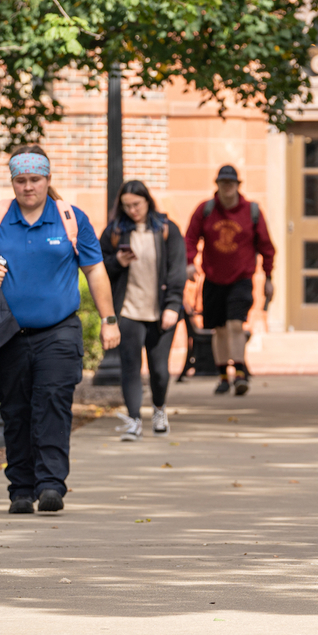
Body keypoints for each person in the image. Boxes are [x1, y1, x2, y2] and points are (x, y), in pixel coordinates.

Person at [0, 145, 121, 515]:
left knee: (52, 405)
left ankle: (50, 485)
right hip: (5, 336)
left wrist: (109, 319)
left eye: (36, 179)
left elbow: (95, 270)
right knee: (15, 411)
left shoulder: (70, 219)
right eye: (21, 180)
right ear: (12, 181)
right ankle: (20, 488)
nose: (28, 187)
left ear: (48, 180)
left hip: (59, 332)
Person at [101, 180, 186, 441]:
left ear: (147, 201)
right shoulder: (115, 231)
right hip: (128, 309)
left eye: (136, 204)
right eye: (126, 206)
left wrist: (173, 305)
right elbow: (98, 267)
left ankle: (159, 409)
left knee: (159, 370)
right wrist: (117, 261)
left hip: (160, 311)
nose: (132, 210)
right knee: (130, 366)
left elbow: (177, 270)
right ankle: (134, 419)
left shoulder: (166, 229)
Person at [184, 164, 275, 396]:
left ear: (237, 185)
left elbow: (266, 247)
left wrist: (268, 276)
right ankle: (224, 375)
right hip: (213, 279)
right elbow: (190, 238)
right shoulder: (205, 210)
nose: (227, 188)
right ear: (217, 185)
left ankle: (241, 372)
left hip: (241, 278)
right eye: (223, 183)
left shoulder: (251, 211)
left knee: (235, 324)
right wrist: (189, 262)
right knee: (219, 329)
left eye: (231, 183)